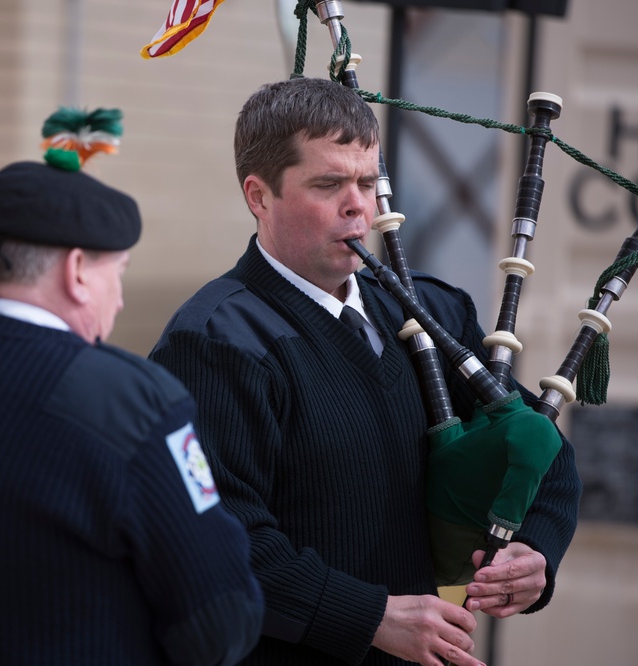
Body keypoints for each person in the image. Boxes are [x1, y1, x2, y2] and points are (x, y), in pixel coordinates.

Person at [148, 77, 582, 666]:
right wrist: (370, 615)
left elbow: (538, 445)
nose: (359, 205)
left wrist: (537, 549)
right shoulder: (215, 342)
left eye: (368, 181)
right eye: (328, 184)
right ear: (259, 195)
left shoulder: (433, 312)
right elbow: (218, 541)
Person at [0, 160, 264, 665]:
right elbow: (220, 622)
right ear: (77, 270)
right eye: (116, 274)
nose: (119, 300)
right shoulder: (127, 398)